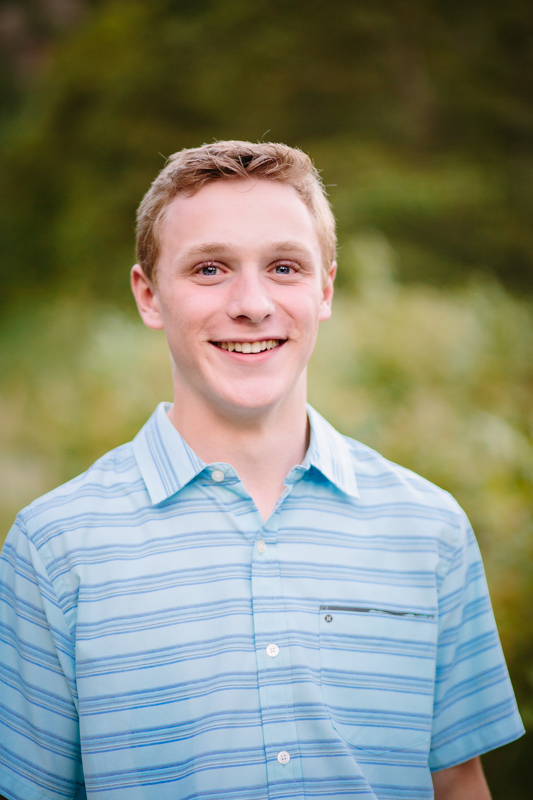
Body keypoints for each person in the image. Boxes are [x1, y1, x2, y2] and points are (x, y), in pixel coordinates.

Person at [0, 141, 524, 800]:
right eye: (210, 269)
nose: (251, 303)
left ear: (324, 287)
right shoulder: (55, 547)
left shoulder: (429, 529)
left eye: (283, 267)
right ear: (149, 295)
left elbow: (454, 785)